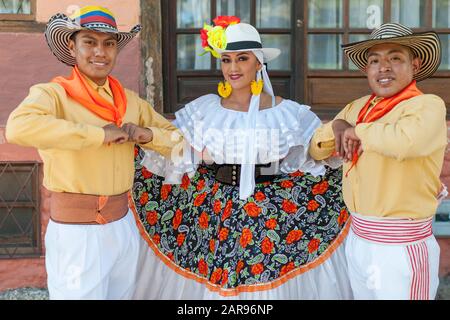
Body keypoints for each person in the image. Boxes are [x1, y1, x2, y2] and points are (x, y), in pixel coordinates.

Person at [130, 16, 352, 299]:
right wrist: (144, 137)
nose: (233, 68)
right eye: (226, 60)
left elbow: (314, 154)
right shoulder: (205, 110)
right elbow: (176, 150)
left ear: (259, 63)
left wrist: (340, 130)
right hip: (214, 208)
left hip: (272, 209)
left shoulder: (288, 113)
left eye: (242, 59)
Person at [5, 5, 182, 299]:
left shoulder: (131, 102)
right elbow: (18, 128)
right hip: (77, 231)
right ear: (72, 47)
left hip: (123, 225)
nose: (100, 51)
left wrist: (146, 134)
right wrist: (98, 135)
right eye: (90, 42)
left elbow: (179, 142)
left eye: (109, 43)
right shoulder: (53, 95)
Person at [309, 23, 447, 300]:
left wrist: (356, 130)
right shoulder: (357, 107)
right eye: (375, 60)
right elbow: (316, 149)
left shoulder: (427, 105)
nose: (384, 67)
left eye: (395, 58)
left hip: (402, 244)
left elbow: (407, 141)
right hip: (359, 238)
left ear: (415, 65)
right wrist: (336, 125)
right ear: (366, 70)